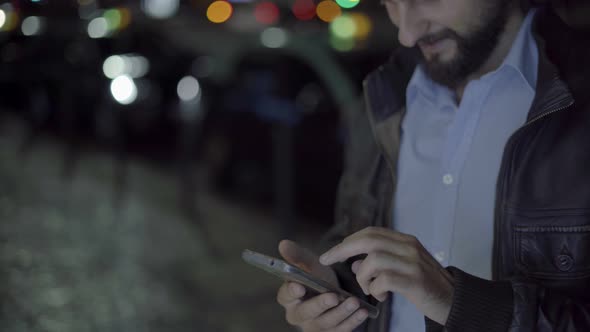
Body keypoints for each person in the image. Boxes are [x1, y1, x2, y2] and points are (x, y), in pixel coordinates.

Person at [275, 0, 590, 331]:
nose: (407, 33)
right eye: (390, 3)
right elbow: (358, 233)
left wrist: (460, 303)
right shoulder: (384, 95)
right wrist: (338, 294)